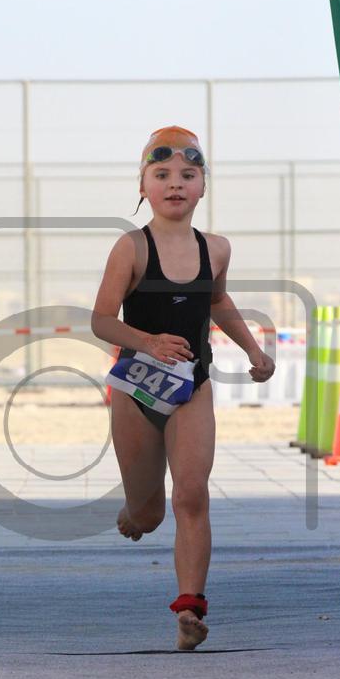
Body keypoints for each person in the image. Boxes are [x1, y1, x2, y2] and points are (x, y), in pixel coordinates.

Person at [91, 126, 275, 650]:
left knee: (191, 495)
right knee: (150, 515)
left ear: (203, 187)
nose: (176, 183)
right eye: (162, 174)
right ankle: (134, 511)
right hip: (137, 392)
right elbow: (101, 320)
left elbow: (216, 301)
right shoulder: (131, 247)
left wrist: (253, 350)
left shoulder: (216, 249)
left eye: (188, 175)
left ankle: (189, 608)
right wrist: (147, 342)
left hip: (193, 389)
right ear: (143, 186)